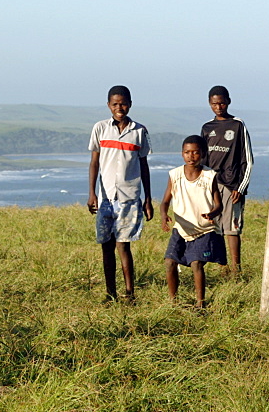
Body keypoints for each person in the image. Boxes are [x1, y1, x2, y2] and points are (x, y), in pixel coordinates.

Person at [87, 85, 153, 304]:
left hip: (129, 196)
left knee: (124, 245)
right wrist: (92, 194)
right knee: (106, 245)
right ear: (108, 105)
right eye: (115, 104)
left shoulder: (139, 131)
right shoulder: (100, 128)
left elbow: (144, 166)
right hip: (105, 197)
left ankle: (129, 292)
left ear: (130, 104)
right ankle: (110, 292)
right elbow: (94, 162)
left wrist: (148, 199)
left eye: (123, 103)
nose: (119, 108)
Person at [160, 135, 225, 309]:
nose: (191, 156)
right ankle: (173, 302)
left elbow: (219, 204)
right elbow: (165, 200)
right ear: (182, 154)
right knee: (169, 262)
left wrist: (213, 213)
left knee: (196, 263)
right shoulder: (175, 175)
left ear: (203, 154)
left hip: (204, 229)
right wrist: (164, 214)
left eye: (196, 152)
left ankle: (200, 303)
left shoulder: (209, 176)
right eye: (187, 152)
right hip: (181, 228)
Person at [200, 85, 253, 275]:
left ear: (228, 101)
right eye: (215, 103)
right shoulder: (207, 128)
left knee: (232, 228)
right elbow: (202, 158)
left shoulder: (237, 125)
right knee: (215, 227)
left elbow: (248, 159)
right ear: (209, 104)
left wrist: (240, 186)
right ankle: (223, 267)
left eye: (222, 102)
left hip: (232, 185)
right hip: (211, 185)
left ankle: (236, 268)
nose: (219, 107)